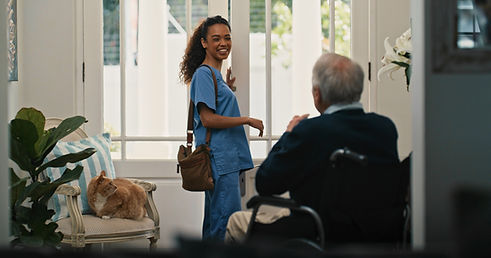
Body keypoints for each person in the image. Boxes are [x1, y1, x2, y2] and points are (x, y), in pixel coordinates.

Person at [225, 53, 399, 243]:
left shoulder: (309, 131)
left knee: (236, 221)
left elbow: (265, 183)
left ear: (317, 93)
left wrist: (289, 134)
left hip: (317, 232)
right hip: (375, 234)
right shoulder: (385, 128)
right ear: (358, 89)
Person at [179, 15, 264, 241]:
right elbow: (208, 119)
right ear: (204, 43)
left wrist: (226, 87)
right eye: (216, 39)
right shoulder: (204, 74)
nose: (223, 43)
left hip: (225, 159)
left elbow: (217, 109)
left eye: (227, 37)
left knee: (216, 221)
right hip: (221, 159)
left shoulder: (213, 75)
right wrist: (247, 120)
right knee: (226, 224)